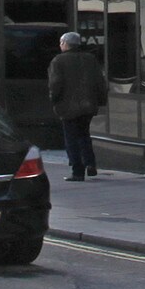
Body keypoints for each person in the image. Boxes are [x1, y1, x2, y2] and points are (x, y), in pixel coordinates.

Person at [47, 30, 108, 182]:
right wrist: (100, 100)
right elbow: (100, 82)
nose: (60, 45)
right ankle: (90, 163)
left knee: (71, 139)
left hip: (68, 106)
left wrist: (53, 99)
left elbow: (55, 84)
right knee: (84, 135)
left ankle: (77, 171)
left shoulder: (58, 61)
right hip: (88, 105)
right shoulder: (90, 59)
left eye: (61, 42)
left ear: (66, 44)